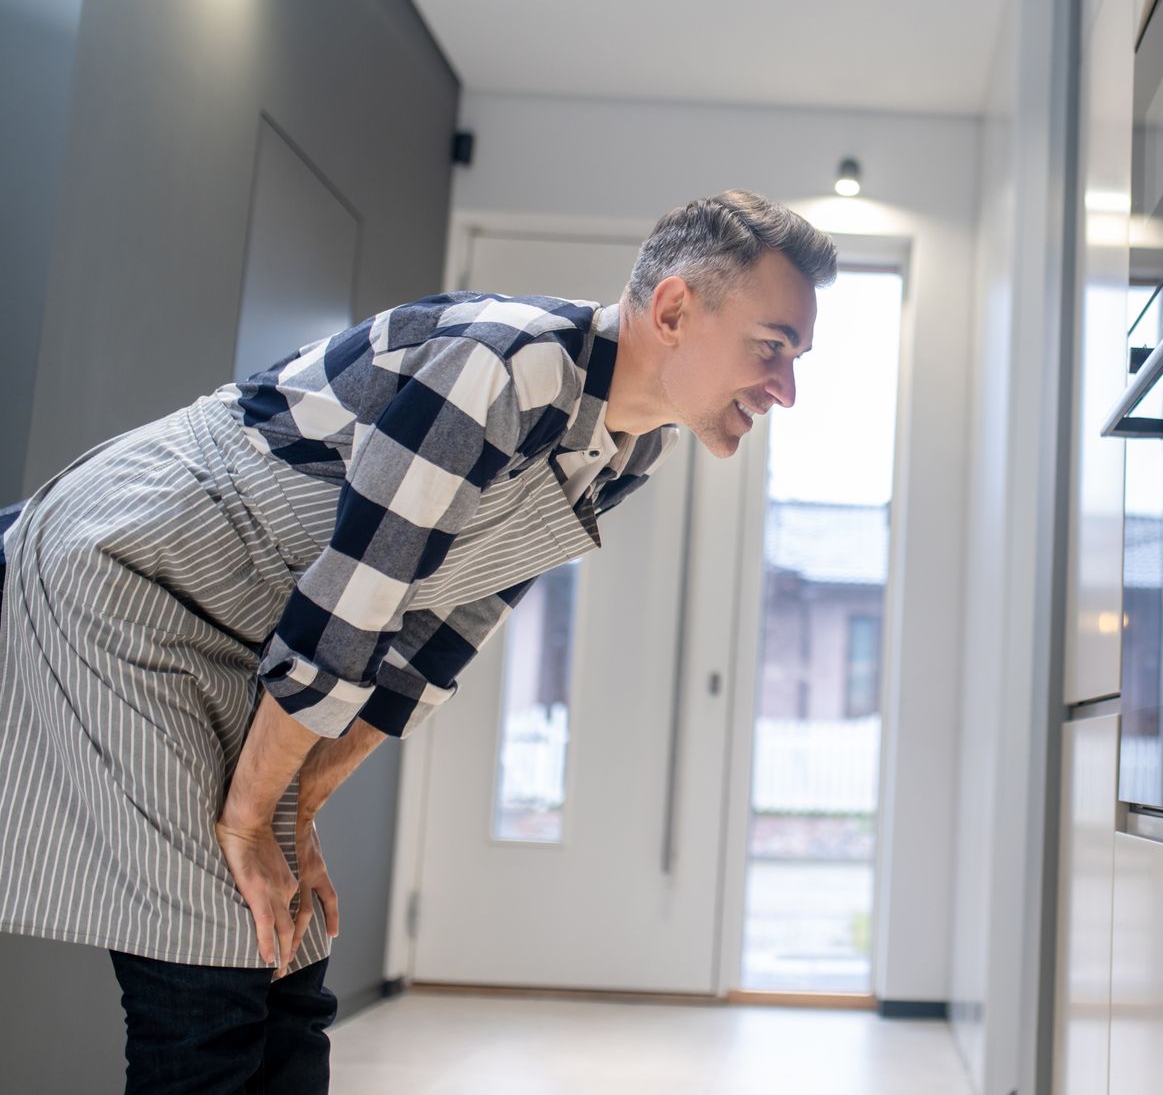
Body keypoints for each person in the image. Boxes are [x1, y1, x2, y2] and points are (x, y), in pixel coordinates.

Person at [0, 190, 834, 1092]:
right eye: (772, 346)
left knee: (292, 958)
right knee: (207, 969)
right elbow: (354, 606)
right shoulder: (505, 366)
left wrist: (299, 804)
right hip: (133, 573)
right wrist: (252, 816)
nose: (786, 387)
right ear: (672, 309)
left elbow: (445, 628)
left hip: (253, 630)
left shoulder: (631, 447)